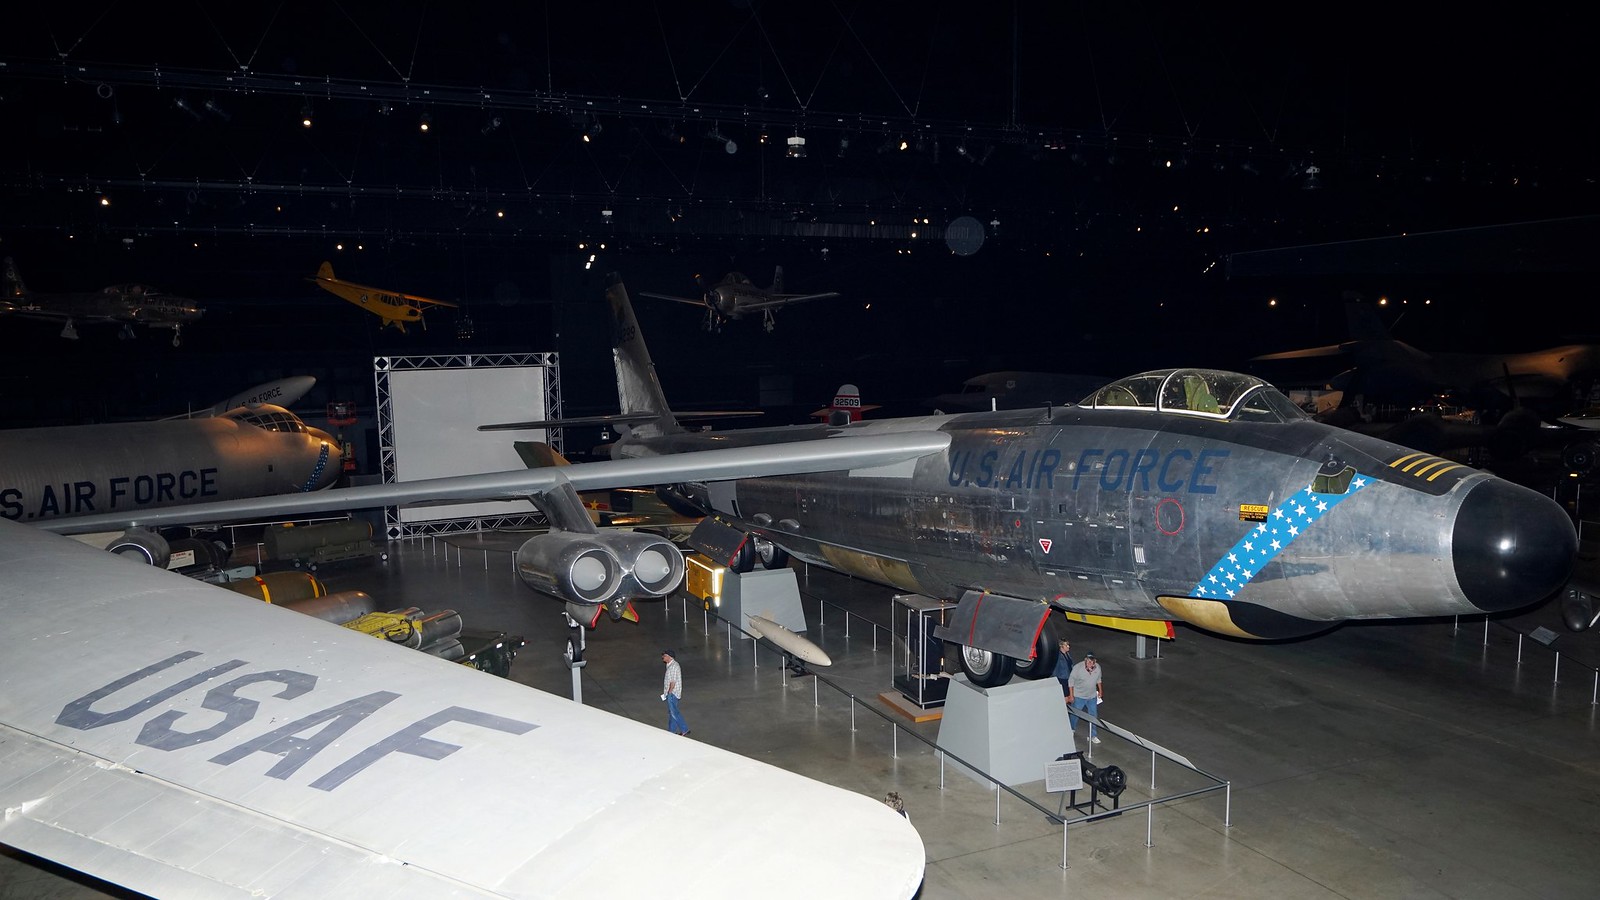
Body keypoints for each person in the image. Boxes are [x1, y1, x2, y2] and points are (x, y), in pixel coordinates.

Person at [1066, 653, 1103, 744]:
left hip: (1092, 696)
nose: (1090, 663)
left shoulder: (1097, 668)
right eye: (1088, 661)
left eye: (1092, 661)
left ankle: (1093, 735)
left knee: (1093, 715)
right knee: (1075, 714)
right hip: (1079, 696)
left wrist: (1100, 691)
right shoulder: (1078, 668)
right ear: (1085, 660)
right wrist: (1071, 695)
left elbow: (1099, 680)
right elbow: (1071, 681)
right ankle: (1072, 729)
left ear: (1095, 661)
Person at [661, 649, 689, 736]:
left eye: (664, 655)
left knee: (674, 713)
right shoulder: (670, 665)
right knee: (672, 712)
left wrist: (669, 693)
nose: (663, 657)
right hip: (671, 693)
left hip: (672, 694)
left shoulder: (673, 666)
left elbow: (673, 681)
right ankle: (671, 731)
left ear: (669, 657)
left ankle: (684, 729)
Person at [1052, 638, 1075, 706]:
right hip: (1062, 680)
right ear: (1061, 646)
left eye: (1068, 645)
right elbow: (1055, 670)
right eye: (1066, 645)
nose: (1068, 646)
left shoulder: (1067, 654)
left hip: (1068, 678)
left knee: (1069, 697)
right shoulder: (1058, 656)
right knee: (1065, 698)